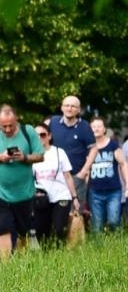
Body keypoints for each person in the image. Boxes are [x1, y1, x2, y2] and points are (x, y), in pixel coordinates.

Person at [0, 104, 43, 259]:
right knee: (3, 228)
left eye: (10, 126)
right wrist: (1, 157)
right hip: (0, 193)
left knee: (22, 231)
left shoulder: (28, 131)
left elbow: (40, 155)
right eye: (3, 126)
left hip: (24, 194)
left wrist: (25, 158)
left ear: (16, 119)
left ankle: (22, 259)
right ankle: (6, 265)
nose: (7, 129)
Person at [47, 96, 92, 226]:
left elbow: (93, 149)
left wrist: (84, 171)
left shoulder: (84, 126)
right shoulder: (53, 122)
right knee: (54, 211)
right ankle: (54, 240)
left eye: (73, 106)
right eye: (67, 105)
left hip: (76, 175)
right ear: (61, 107)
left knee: (76, 212)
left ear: (78, 110)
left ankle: (75, 244)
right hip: (55, 176)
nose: (69, 108)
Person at [32, 123, 79, 245]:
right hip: (41, 197)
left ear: (49, 136)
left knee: (59, 228)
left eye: (42, 135)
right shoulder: (31, 156)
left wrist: (74, 197)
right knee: (41, 231)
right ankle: (46, 256)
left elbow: (67, 176)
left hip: (61, 195)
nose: (39, 138)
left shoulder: (59, 152)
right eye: (35, 135)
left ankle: (60, 253)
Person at [82, 118, 128, 232]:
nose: (96, 129)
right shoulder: (88, 148)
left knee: (114, 220)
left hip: (113, 191)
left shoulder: (113, 145)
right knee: (97, 224)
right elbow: (87, 171)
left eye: (99, 126)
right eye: (93, 127)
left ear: (104, 129)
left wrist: (127, 184)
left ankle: (116, 244)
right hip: (95, 191)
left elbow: (123, 164)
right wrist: (84, 191)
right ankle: (99, 247)